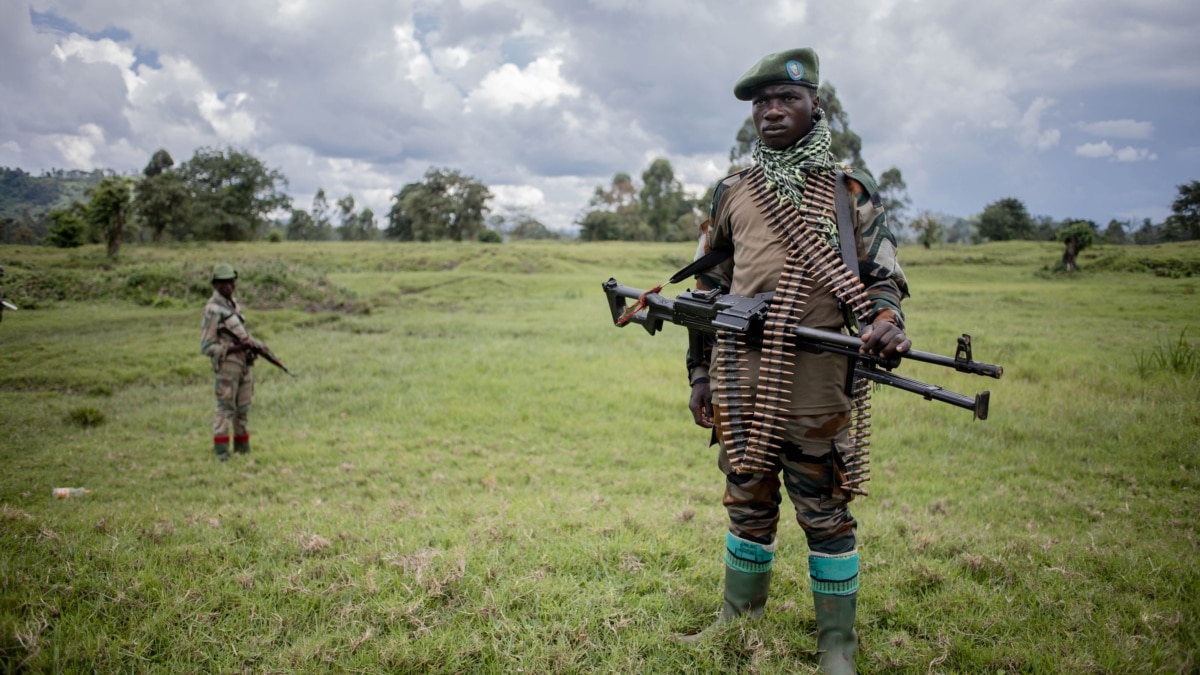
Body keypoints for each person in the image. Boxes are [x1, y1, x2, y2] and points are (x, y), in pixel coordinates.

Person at [679, 48, 911, 674]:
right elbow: (709, 289)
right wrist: (700, 374)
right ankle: (737, 621)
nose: (772, 111)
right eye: (762, 102)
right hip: (738, 378)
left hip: (815, 385)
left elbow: (881, 278)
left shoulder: (847, 191)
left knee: (825, 511)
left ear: (816, 107)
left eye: (787, 99)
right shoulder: (733, 189)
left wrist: (886, 322)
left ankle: (837, 645)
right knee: (746, 498)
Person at [200, 263, 262, 461]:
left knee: (243, 408)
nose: (228, 285)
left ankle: (243, 450)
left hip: (244, 364)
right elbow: (206, 347)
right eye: (223, 282)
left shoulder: (233, 305)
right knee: (225, 408)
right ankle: (222, 454)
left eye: (231, 281)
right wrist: (235, 349)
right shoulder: (213, 309)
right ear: (215, 284)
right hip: (227, 365)